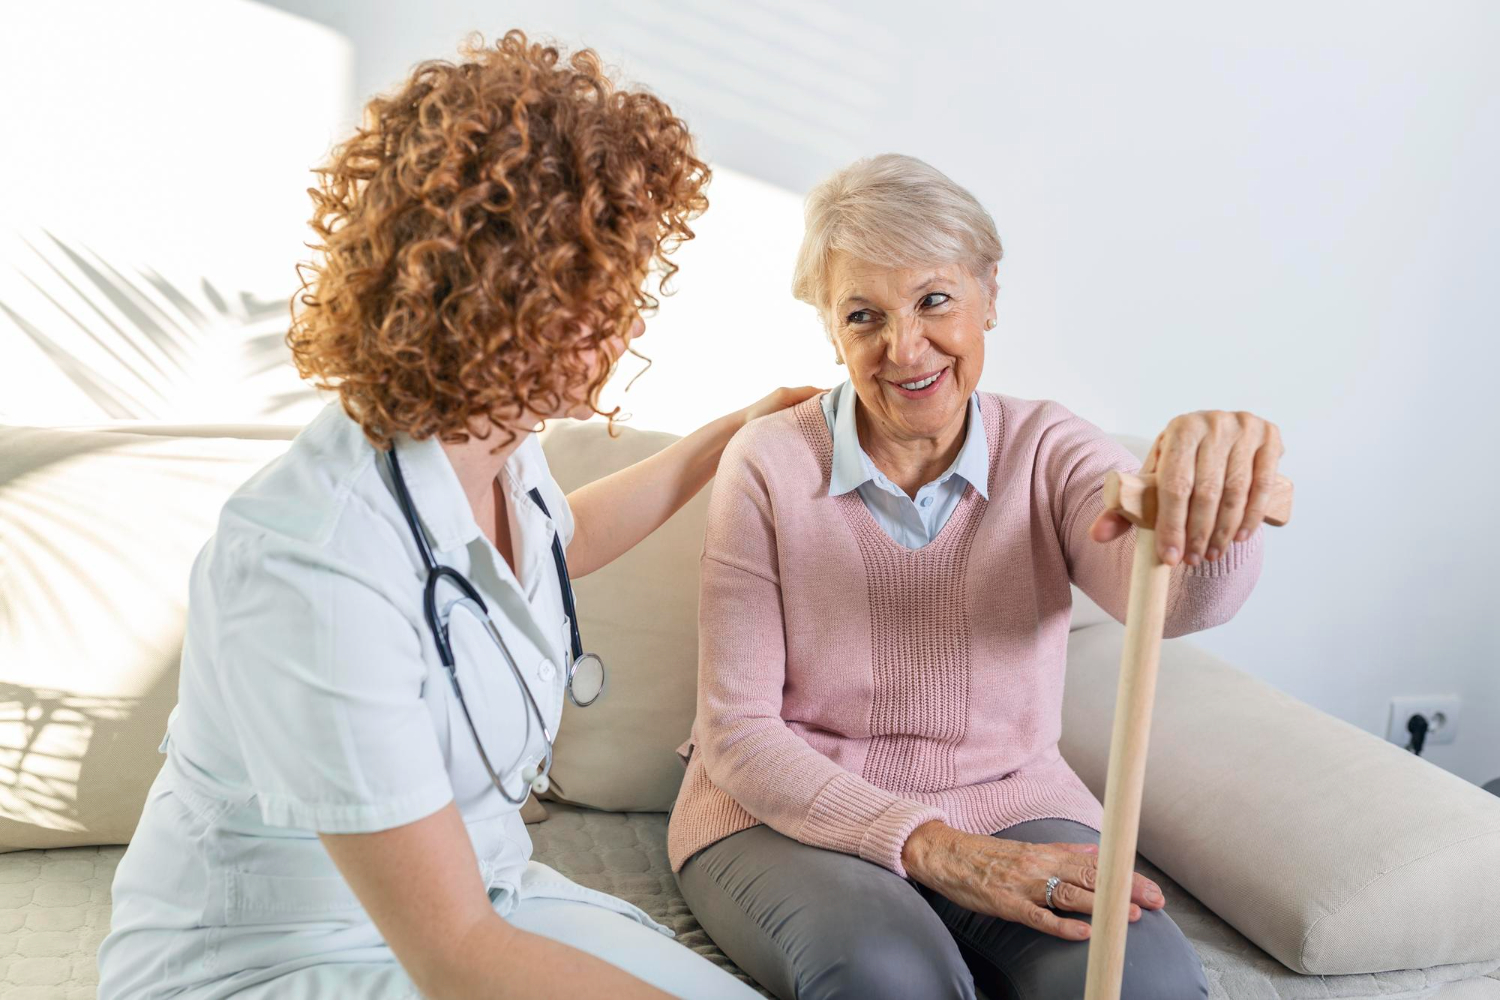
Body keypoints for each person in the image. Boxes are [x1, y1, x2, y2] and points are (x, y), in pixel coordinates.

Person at [97, 31, 803, 1000]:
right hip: (289, 951)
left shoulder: (491, 444)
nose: (632, 318)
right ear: (500, 296)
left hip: (482, 894)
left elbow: (557, 545)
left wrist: (725, 438)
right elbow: (459, 959)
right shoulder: (313, 561)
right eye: (605, 282)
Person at [668, 153, 1285, 1000]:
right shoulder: (769, 463)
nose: (905, 348)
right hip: (787, 809)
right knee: (892, 977)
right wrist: (936, 849)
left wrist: (1213, 502)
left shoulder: (1051, 450)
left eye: (934, 300)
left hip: (1005, 794)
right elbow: (738, 734)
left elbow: (1171, 605)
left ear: (989, 293)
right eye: (863, 316)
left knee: (1146, 984)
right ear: (829, 330)